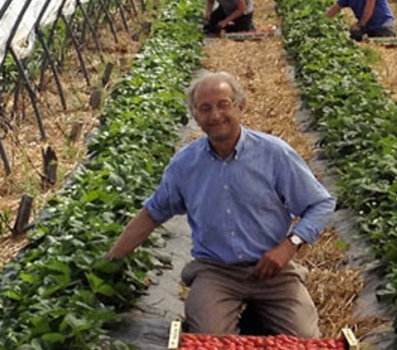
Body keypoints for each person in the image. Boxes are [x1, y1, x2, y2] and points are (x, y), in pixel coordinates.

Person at [107, 71, 336, 337]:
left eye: (223, 104)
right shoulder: (185, 165)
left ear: (241, 106)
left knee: (305, 340)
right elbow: (152, 213)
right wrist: (112, 259)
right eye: (205, 109)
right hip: (216, 271)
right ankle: (245, 317)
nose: (215, 116)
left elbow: (321, 204)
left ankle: (257, 318)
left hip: (273, 269)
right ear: (195, 115)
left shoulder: (274, 154)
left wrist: (290, 245)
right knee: (208, 340)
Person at [325, 0, 396, 42]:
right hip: (368, 27)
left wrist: (360, 24)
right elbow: (334, 9)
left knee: (383, 38)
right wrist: (321, 20)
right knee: (354, 35)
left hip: (383, 24)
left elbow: (369, 9)